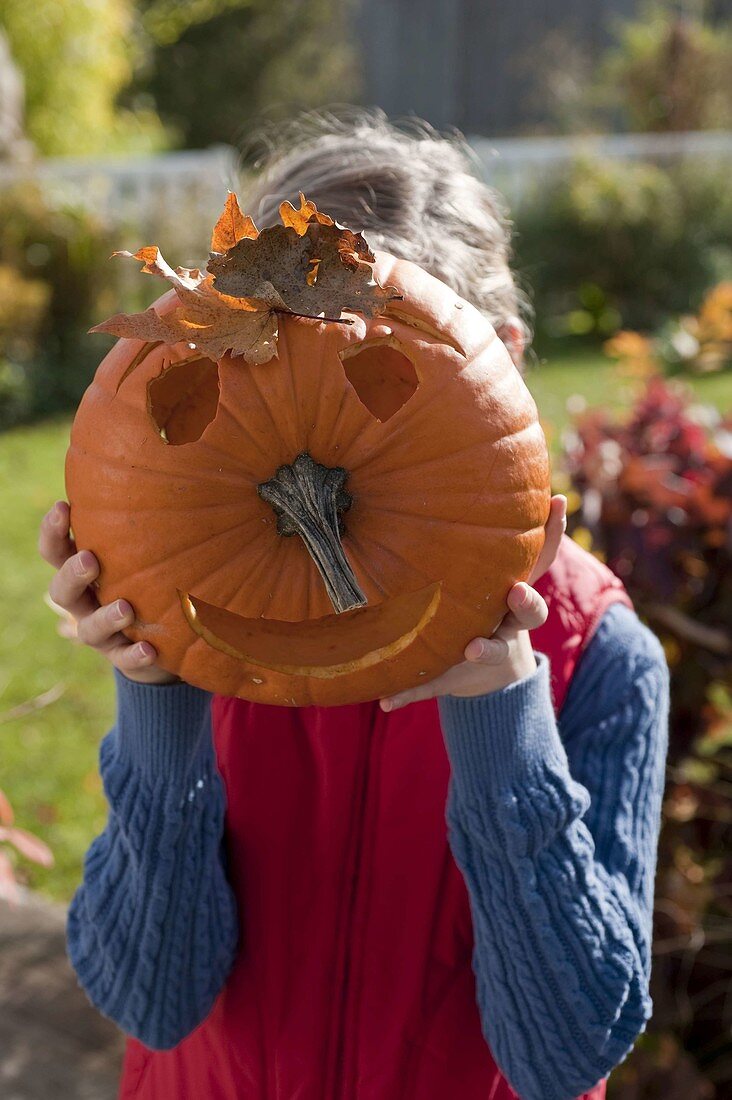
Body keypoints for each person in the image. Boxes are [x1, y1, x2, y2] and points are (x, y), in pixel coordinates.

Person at [38, 110, 669, 1100]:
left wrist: (500, 712)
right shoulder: (212, 616)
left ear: (500, 360)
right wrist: (157, 686)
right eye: (277, 364)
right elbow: (151, 1000)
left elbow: (561, 1052)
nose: (317, 447)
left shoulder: (600, 654)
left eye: (381, 382)